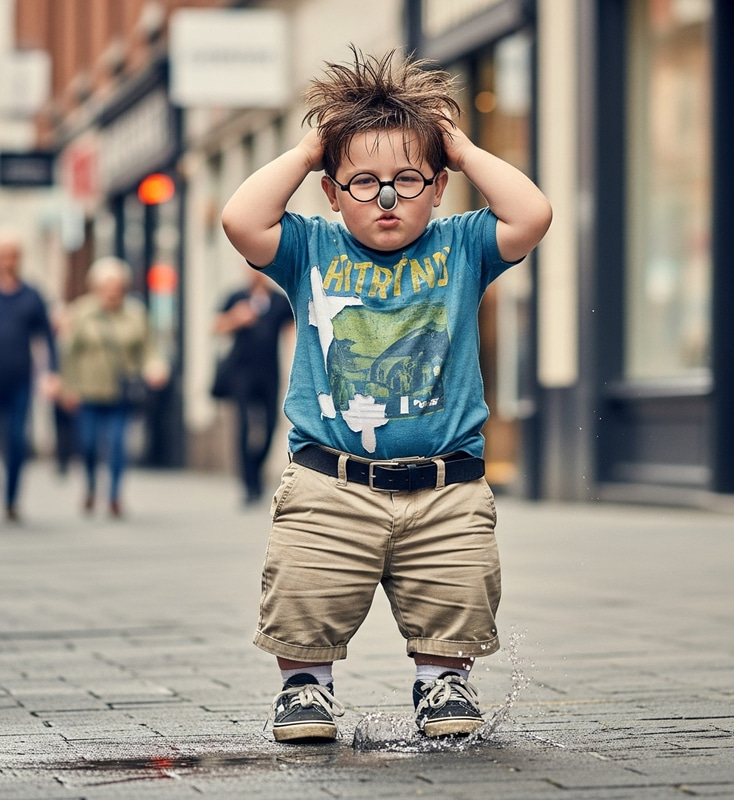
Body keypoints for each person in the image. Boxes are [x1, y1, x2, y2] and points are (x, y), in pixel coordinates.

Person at [221, 47, 551, 742]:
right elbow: (241, 220)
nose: (389, 197)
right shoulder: (309, 248)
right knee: (307, 587)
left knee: (456, 585)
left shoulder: (464, 245)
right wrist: (312, 146)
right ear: (331, 192)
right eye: (364, 183)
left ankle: (443, 680)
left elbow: (532, 214)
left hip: (445, 483)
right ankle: (305, 686)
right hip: (329, 482)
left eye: (408, 179)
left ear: (439, 187)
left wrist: (458, 146)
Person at [60, 257, 168, 518]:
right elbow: (70, 352)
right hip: (88, 391)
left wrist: (155, 366)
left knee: (118, 444)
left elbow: (149, 348)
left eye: (116, 285)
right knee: (87, 444)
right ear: (95, 287)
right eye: (106, 285)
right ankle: (90, 485)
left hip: (121, 392)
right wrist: (67, 386)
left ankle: (114, 497)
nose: (111, 291)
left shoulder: (136, 313)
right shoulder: (82, 312)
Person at [213, 269, 294, 506]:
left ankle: (256, 468)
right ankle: (249, 484)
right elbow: (215, 326)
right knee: (244, 426)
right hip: (241, 372)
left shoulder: (279, 300)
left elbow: (291, 332)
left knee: (269, 426)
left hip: (269, 372)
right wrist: (235, 319)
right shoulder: (235, 297)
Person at [0, 228, 60, 523]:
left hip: (20, 379)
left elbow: (47, 337)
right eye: (4, 256)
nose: (8, 261)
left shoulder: (31, 295)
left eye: (13, 255)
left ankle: (11, 499)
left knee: (16, 440)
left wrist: (52, 374)